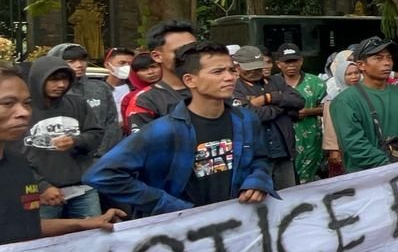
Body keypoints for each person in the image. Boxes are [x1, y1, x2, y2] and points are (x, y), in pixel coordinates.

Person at [85, 41, 277, 215]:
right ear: (190, 80)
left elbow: (260, 159)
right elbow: (102, 175)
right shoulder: (162, 131)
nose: (229, 77)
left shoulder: (246, 120)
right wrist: (166, 204)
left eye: (232, 70)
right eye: (218, 72)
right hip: (183, 231)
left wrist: (258, 181)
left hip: (236, 222)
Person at [0, 67, 123, 241]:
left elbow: (25, 226)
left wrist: (82, 224)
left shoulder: (19, 165)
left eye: (27, 103)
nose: (24, 112)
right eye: (7, 103)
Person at [24, 54, 105, 222]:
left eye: (65, 79)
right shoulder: (23, 110)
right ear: (39, 79)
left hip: (83, 188)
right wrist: (42, 186)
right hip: (42, 192)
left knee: (93, 234)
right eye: (53, 79)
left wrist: (76, 140)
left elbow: (96, 134)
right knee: (43, 236)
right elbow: (15, 154)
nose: (61, 84)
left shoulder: (77, 103)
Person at [333, 37, 398, 172]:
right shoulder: (345, 101)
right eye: (378, 58)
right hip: (367, 178)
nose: (387, 63)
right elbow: (353, 143)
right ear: (361, 65)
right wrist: (388, 166)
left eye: (389, 57)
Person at [232, 45, 305, 189]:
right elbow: (248, 115)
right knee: (260, 194)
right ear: (237, 67)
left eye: (257, 68)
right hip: (256, 155)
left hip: (283, 150)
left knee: (289, 194)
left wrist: (269, 98)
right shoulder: (234, 88)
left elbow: (299, 101)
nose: (254, 72)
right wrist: (281, 109)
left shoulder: (276, 81)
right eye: (249, 69)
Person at [47, 42, 121, 158]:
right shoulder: (51, 92)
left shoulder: (100, 88)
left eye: (83, 60)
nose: (79, 65)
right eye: (71, 61)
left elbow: (111, 124)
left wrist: (101, 155)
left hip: (103, 157)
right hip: (64, 158)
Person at [126, 19, 199, 132]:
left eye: (194, 49)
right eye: (179, 50)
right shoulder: (145, 101)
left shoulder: (215, 89)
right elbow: (143, 142)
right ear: (157, 56)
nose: (189, 55)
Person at [275, 45, 328, 182]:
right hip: (282, 141)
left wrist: (309, 112)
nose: (291, 65)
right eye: (287, 62)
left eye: (294, 61)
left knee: (308, 179)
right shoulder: (272, 83)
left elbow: (327, 108)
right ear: (279, 64)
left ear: (301, 61)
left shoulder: (316, 82)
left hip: (310, 139)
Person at [322, 51, 358, 176]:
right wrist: (334, 149)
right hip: (341, 145)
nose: (354, 77)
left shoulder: (364, 94)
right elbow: (329, 124)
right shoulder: (333, 97)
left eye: (356, 73)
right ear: (340, 76)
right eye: (349, 74)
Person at [119, 52, 160, 134]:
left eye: (153, 66)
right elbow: (128, 126)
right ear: (135, 73)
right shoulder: (130, 98)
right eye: (143, 69)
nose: (150, 72)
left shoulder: (174, 90)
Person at [104, 46, 136, 112]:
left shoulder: (137, 89)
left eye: (130, 64)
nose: (127, 67)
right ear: (107, 65)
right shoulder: (97, 90)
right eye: (122, 63)